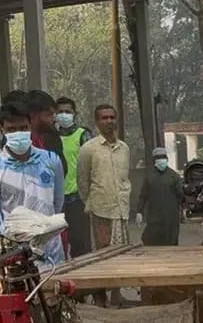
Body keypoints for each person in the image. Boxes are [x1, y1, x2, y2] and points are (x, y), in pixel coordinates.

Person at [0, 100, 66, 267]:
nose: (18, 133)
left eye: (23, 128)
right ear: (2, 130)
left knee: (56, 284)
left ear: (30, 127)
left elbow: (57, 202)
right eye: (11, 129)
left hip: (51, 250)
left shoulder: (51, 160)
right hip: (14, 252)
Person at [77, 104, 132, 308]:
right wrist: (91, 202)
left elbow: (124, 178)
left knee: (120, 255)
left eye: (112, 117)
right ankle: (100, 298)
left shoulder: (124, 148)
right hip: (101, 211)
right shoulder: (88, 149)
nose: (109, 121)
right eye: (104, 118)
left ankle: (117, 295)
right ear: (97, 122)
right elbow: (82, 181)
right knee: (100, 256)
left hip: (121, 211)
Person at [55, 96, 93, 259]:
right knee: (58, 243)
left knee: (81, 244)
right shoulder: (51, 137)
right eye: (60, 112)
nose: (64, 115)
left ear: (75, 114)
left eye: (67, 111)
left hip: (78, 199)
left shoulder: (83, 135)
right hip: (57, 199)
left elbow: (92, 164)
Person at [136, 147, 184, 246]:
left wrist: (183, 210)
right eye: (158, 158)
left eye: (163, 157)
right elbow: (143, 195)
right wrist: (139, 211)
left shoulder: (174, 176)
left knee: (170, 242)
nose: (161, 160)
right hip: (154, 217)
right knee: (150, 241)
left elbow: (181, 195)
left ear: (167, 159)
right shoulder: (149, 176)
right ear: (154, 160)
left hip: (170, 217)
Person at [28, 90, 68, 173]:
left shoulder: (52, 135)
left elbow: (62, 167)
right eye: (48, 115)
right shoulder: (19, 138)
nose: (53, 119)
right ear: (33, 114)